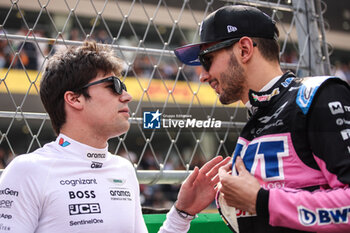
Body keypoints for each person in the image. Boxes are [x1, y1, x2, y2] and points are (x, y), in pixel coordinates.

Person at [0, 40, 230, 232]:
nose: (127, 96)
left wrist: (182, 212)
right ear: (75, 99)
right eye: (114, 85)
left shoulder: (124, 169)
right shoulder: (26, 171)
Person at [174, 5, 350, 233]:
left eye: (207, 59)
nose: (203, 76)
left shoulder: (317, 98)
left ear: (245, 49)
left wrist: (262, 200)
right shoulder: (257, 116)